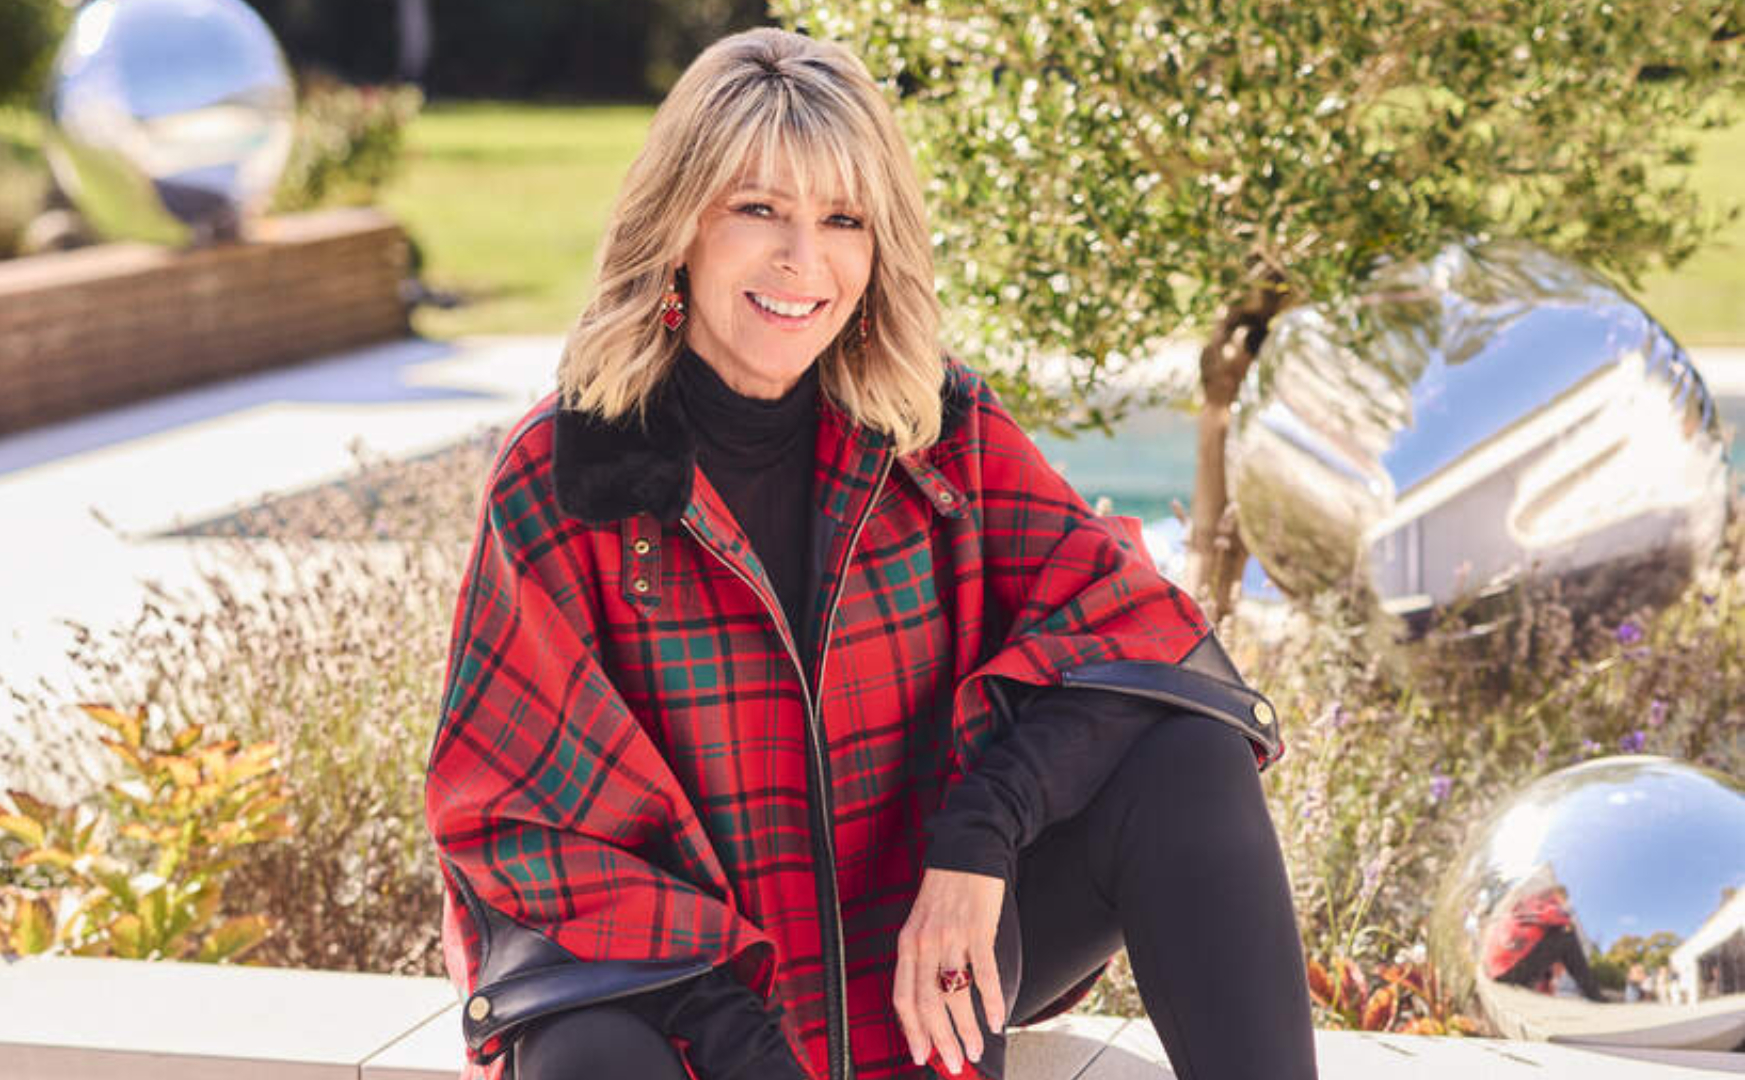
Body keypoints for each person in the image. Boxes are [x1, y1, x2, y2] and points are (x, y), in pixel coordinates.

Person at [423, 26, 1316, 1080]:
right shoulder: (571, 473)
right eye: (759, 209)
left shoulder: (930, 434)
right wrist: (749, 1049)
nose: (805, 262)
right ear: (679, 228)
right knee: (583, 1056)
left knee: (1188, 758)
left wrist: (980, 837)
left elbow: (1136, 628)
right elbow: (525, 827)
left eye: (842, 219)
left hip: (918, 952)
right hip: (689, 1004)